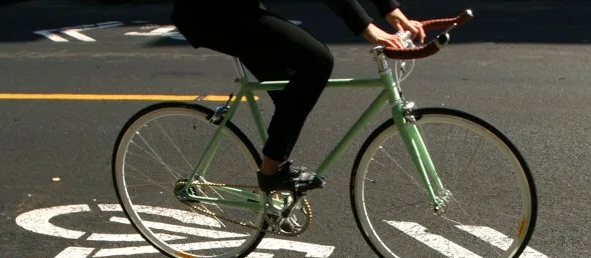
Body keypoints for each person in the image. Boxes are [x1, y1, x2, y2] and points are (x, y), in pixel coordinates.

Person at [171, 0, 425, 193]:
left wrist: (390, 8)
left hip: (242, 7)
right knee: (317, 60)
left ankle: (274, 187)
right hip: (212, 12)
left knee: (290, 93)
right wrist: (367, 27)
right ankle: (271, 172)